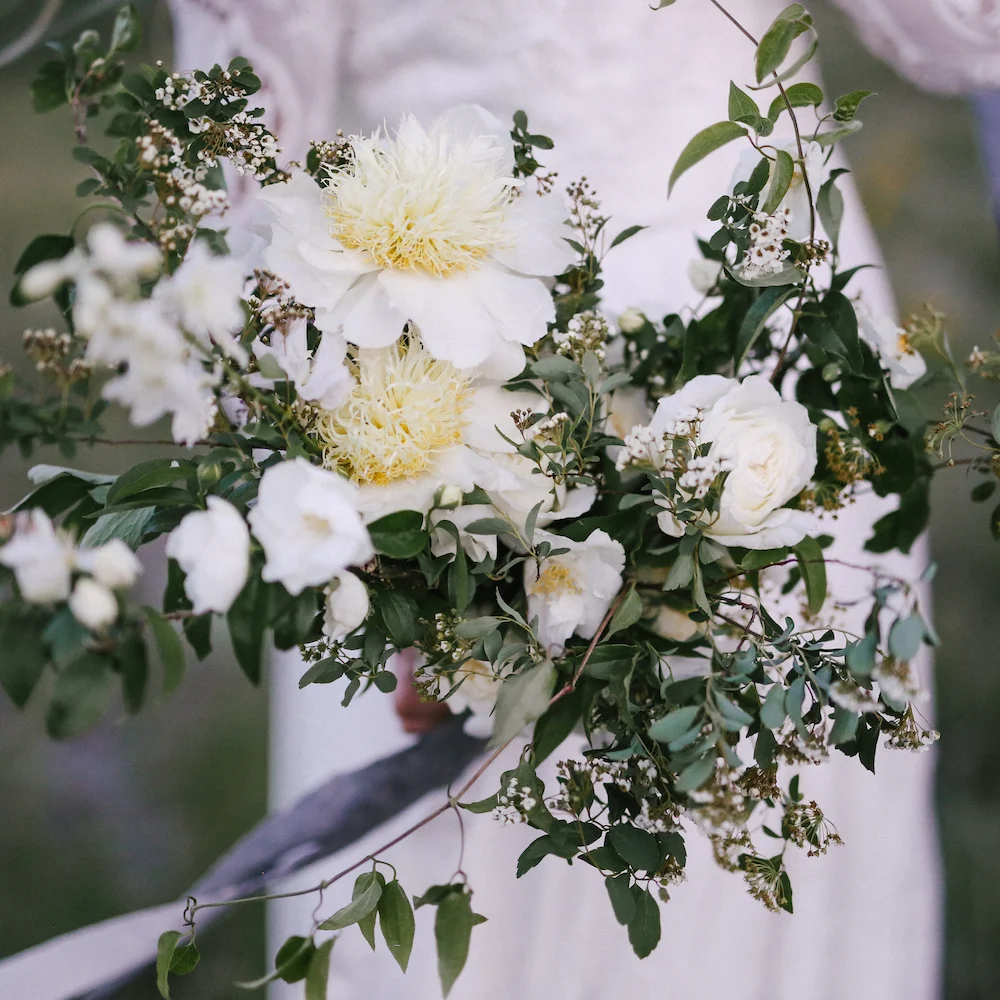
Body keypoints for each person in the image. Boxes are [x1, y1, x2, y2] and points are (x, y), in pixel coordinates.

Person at [164, 2, 1000, 997]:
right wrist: (370, 540)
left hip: (784, 403)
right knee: (452, 908)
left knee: (765, 894)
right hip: (437, 416)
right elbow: (234, 166)